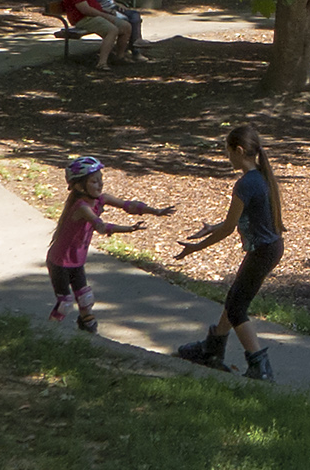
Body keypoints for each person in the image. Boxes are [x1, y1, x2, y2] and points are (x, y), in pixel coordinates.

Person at [173, 122, 285, 380]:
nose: (227, 157)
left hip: (262, 251)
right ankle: (212, 349)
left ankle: (260, 366)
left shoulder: (246, 184)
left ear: (238, 150)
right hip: (269, 248)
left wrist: (194, 248)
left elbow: (227, 229)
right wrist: (210, 227)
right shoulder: (261, 176)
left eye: (227, 151)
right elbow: (239, 220)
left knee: (237, 309)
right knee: (235, 297)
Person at [46, 155, 171, 333]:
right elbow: (101, 226)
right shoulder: (82, 207)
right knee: (65, 303)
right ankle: (46, 332)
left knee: (85, 298)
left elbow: (128, 205)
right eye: (94, 182)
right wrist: (128, 229)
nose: (100, 184)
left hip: (76, 260)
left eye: (101, 180)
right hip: (60, 262)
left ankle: (87, 327)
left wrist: (155, 211)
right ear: (80, 186)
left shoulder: (100, 199)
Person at [60, 0, 140, 65]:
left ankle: (120, 57)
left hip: (96, 15)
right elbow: (85, 10)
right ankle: (102, 63)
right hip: (84, 19)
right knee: (112, 30)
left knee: (126, 26)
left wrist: (106, 12)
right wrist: (105, 15)